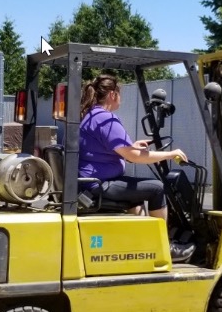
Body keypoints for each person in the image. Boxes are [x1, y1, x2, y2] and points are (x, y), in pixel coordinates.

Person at [78, 73, 195, 262]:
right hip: (101, 184)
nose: (120, 99)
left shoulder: (92, 116)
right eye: (119, 94)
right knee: (156, 188)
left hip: (94, 181)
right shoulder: (106, 119)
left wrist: (133, 147)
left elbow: (112, 149)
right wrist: (170, 154)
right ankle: (163, 247)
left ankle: (141, 245)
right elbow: (133, 156)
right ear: (112, 94)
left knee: (137, 195)